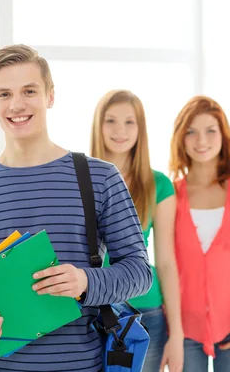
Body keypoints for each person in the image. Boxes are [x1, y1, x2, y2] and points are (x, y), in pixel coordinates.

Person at [0, 44, 153, 371]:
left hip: (78, 365)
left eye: (29, 91)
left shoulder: (100, 178)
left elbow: (139, 271)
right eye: (4, 94)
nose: (16, 104)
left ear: (50, 95)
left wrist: (85, 282)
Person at [169, 96, 230, 372]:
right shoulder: (170, 194)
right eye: (191, 131)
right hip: (185, 330)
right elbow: (168, 265)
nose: (201, 140)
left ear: (223, 136)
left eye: (210, 130)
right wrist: (174, 334)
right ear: (181, 138)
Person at [90, 89, 183, 372]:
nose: (121, 130)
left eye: (130, 122)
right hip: (90, 311)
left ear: (141, 129)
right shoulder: (79, 178)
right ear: (98, 126)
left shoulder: (159, 185)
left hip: (145, 314)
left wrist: (176, 334)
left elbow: (166, 261)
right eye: (111, 121)